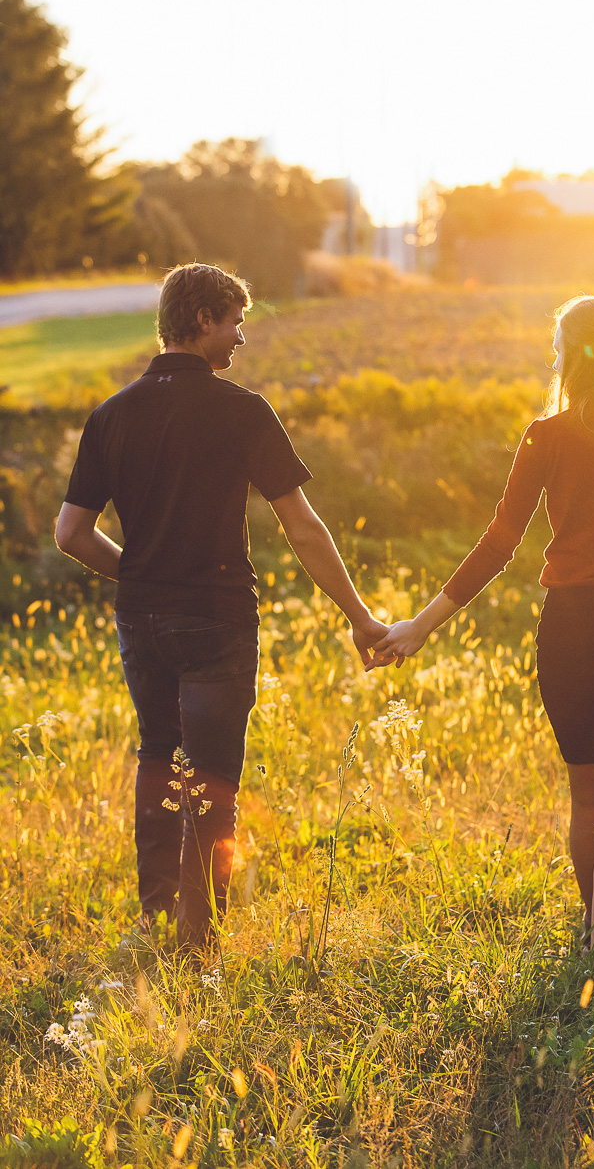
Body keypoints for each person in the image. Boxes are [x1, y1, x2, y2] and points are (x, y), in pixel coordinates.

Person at [372, 294, 594, 955]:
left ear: (570, 356)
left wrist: (423, 623)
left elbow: (499, 543)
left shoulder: (546, 437)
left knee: (586, 798)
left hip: (572, 627)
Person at [55, 263, 387, 952]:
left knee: (157, 758)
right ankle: (197, 941)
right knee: (211, 777)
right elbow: (302, 527)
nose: (240, 338)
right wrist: (361, 616)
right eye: (235, 321)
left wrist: (141, 574)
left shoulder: (110, 415)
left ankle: (154, 919)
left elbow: (71, 534)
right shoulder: (243, 411)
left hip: (143, 619)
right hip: (217, 620)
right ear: (203, 319)